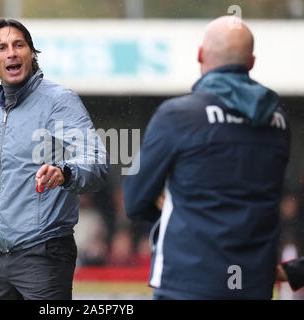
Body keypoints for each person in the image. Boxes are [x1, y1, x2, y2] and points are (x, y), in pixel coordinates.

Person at [123, 16, 290, 299]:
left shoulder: (177, 115)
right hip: (253, 284)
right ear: (251, 62)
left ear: (200, 55)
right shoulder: (280, 121)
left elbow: (135, 199)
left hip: (188, 283)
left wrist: (179, 210)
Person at [0, 18, 108, 300]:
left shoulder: (58, 101)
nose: (12, 52)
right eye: (1, 47)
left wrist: (65, 173)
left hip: (43, 255)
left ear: (32, 54)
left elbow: (98, 162)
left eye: (19, 45)